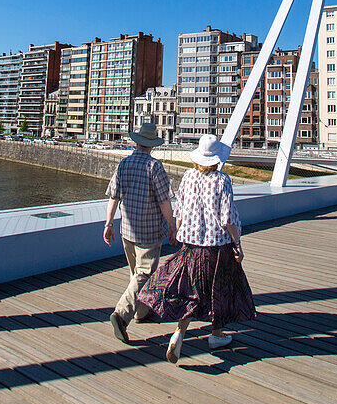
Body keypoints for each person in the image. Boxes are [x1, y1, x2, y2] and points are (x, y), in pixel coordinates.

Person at [138, 134, 257, 364]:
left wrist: (177, 232)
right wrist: (238, 244)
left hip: (191, 246)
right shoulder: (222, 181)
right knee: (219, 290)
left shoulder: (188, 176)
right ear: (216, 159)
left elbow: (180, 209)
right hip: (216, 247)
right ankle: (216, 334)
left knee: (190, 291)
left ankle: (179, 334)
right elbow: (228, 217)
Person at [102, 122, 178, 345]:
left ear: (137, 142)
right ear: (152, 145)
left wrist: (108, 224)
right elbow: (165, 201)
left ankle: (141, 312)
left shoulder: (123, 164)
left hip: (127, 231)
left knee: (136, 274)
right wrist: (172, 226)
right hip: (149, 232)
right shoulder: (155, 167)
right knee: (144, 274)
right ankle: (121, 314)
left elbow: (113, 197)